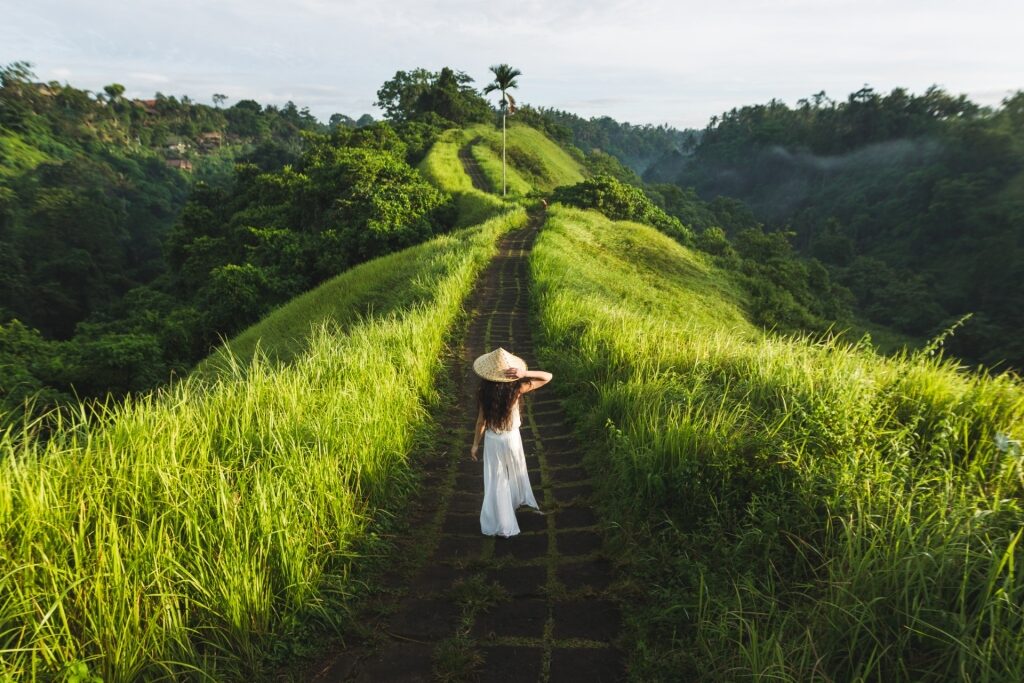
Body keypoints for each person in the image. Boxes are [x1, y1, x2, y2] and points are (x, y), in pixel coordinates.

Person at [470, 348, 553, 537]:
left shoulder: (484, 392)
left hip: (492, 441)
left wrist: (475, 444)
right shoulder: (516, 389)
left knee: (496, 480)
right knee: (515, 472)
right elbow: (547, 376)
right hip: (512, 438)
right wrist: (525, 374)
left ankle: (503, 521)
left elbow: (481, 422)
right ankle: (514, 503)